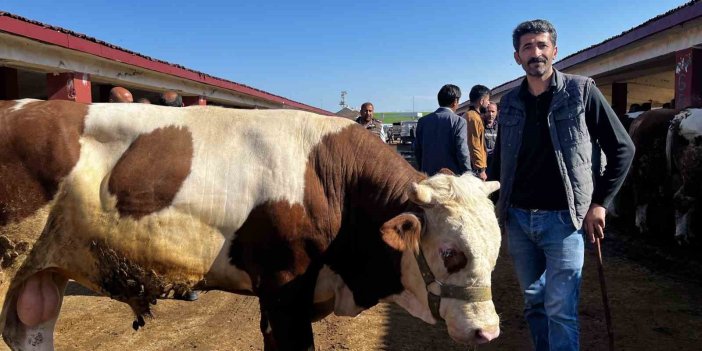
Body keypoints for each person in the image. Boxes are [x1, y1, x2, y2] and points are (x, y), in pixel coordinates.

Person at [489, 19, 634, 351]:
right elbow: (500, 162)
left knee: (560, 310)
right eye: (527, 47)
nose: (535, 52)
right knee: (534, 303)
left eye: (542, 45)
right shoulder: (509, 103)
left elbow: (622, 148)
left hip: (565, 221)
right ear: (517, 57)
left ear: (554, 51)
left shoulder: (581, 91)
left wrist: (600, 203)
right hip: (519, 220)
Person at [413, 84, 471, 175]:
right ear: (455, 101)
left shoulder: (423, 121)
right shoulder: (459, 122)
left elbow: (417, 150)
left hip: (427, 176)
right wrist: (468, 173)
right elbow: (462, 151)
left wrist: (422, 168)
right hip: (451, 178)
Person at [465, 85, 491, 180]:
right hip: (475, 168)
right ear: (481, 101)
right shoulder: (473, 118)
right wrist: (481, 170)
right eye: (487, 100)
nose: (489, 103)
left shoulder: (472, 115)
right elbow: (474, 144)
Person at [483, 102, 498, 171]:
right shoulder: (480, 126)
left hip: (496, 163)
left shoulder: (500, 127)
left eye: (493, 111)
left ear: (496, 112)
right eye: (488, 111)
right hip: (484, 165)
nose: (490, 114)